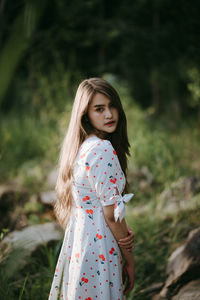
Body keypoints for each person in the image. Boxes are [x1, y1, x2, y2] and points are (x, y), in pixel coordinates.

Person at [48, 78, 135, 300]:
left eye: (112, 105)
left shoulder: (83, 147)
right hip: (100, 249)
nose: (109, 114)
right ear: (85, 114)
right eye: (99, 109)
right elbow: (112, 214)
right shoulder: (102, 149)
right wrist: (129, 258)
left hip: (82, 244)